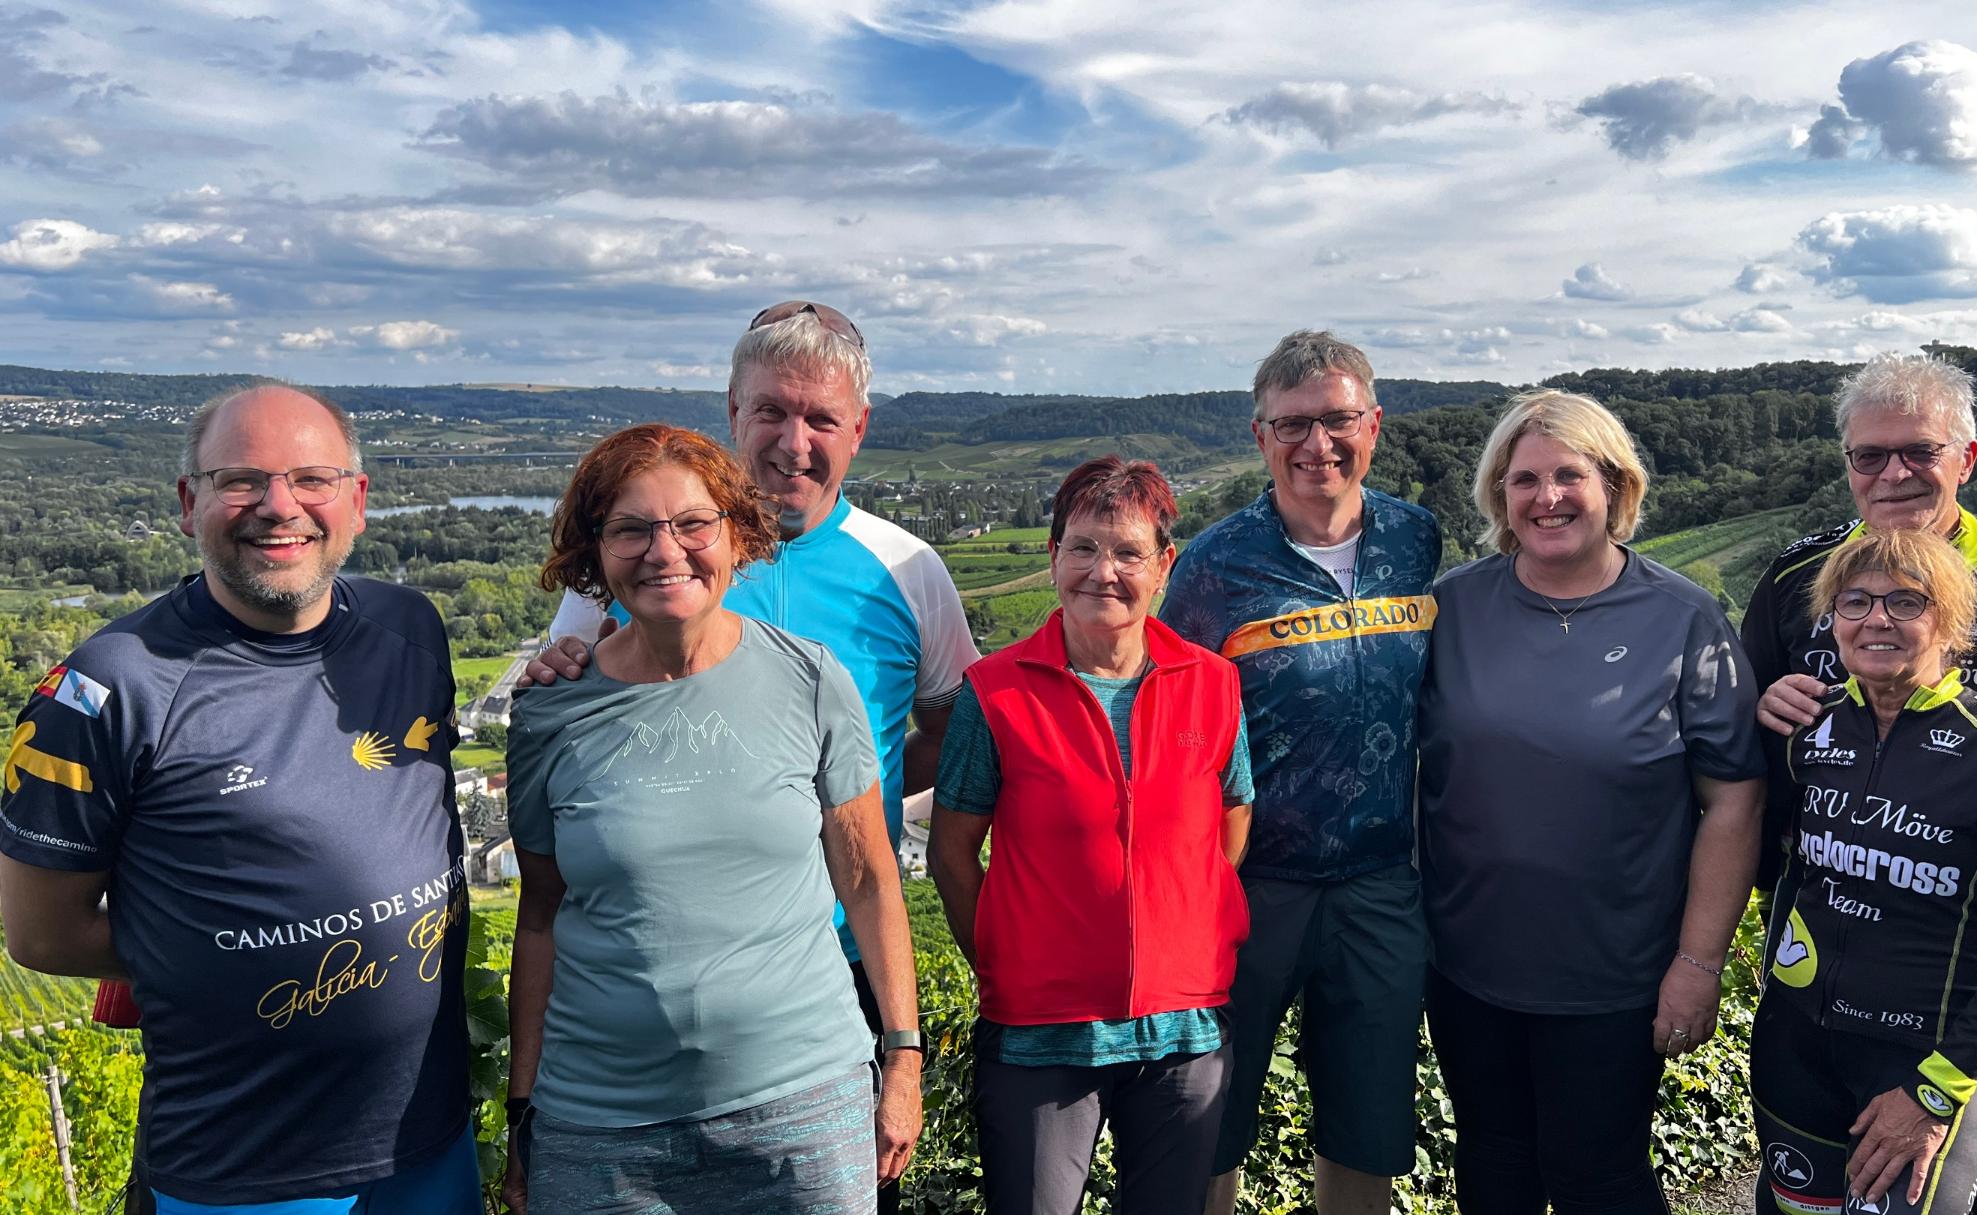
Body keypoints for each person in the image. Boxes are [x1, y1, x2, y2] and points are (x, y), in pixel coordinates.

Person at [529, 303, 976, 1215]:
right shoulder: (643, 566)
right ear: (732, 411)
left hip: (838, 978)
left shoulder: (909, 569)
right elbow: (565, 711)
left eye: (820, 417)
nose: (793, 441)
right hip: (647, 1008)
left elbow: (944, 732)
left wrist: (823, 799)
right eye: (771, 411)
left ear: (860, 427)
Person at [0, 386, 479, 1212]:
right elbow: (41, 933)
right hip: (241, 1170)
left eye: (312, 478)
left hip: (428, 1138)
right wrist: (235, 951)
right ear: (190, 503)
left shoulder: (412, 627)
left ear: (357, 502)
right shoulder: (104, 689)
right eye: (241, 480)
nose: (279, 506)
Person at [1740, 352, 1977, 1215]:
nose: (1892, 473)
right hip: (1821, 962)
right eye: (1868, 455)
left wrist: (1974, 835)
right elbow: (1738, 765)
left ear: (1967, 457)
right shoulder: (1791, 582)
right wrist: (1761, 716)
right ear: (1845, 464)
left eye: (1918, 450)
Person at [1417, 388, 1765, 1213]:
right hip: (1470, 968)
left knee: (1598, 1178)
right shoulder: (1453, 608)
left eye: (1569, 474)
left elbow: (1736, 800)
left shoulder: (1682, 617)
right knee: (1492, 1168)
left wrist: (1697, 963)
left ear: (1615, 485)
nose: (1547, 497)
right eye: (1523, 478)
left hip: (1616, 978)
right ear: (1499, 495)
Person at [1159, 330, 1440, 1215]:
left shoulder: (1416, 538)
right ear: (1258, 436)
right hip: (1249, 885)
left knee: (1368, 1123)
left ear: (1374, 425)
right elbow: (1169, 727)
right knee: (1213, 1115)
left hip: (1382, 883)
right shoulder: (1213, 566)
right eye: (1291, 425)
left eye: (1336, 420)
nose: (1316, 444)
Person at [928, 456, 1253, 1215]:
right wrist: (1007, 952)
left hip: (1185, 1028)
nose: (1102, 571)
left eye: (1128, 552)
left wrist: (1186, 921)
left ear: (1165, 565)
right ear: (1052, 557)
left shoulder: (1212, 682)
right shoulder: (996, 692)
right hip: (1041, 1030)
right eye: (1082, 547)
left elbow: (1233, 814)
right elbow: (950, 849)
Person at [1752, 529, 1977, 1215]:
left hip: (1923, 1063)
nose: (1876, 618)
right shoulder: (1806, 726)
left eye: (1906, 601)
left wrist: (1933, 1095)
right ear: (1831, 619)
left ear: (1950, 621)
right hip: (1796, 1046)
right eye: (1855, 600)